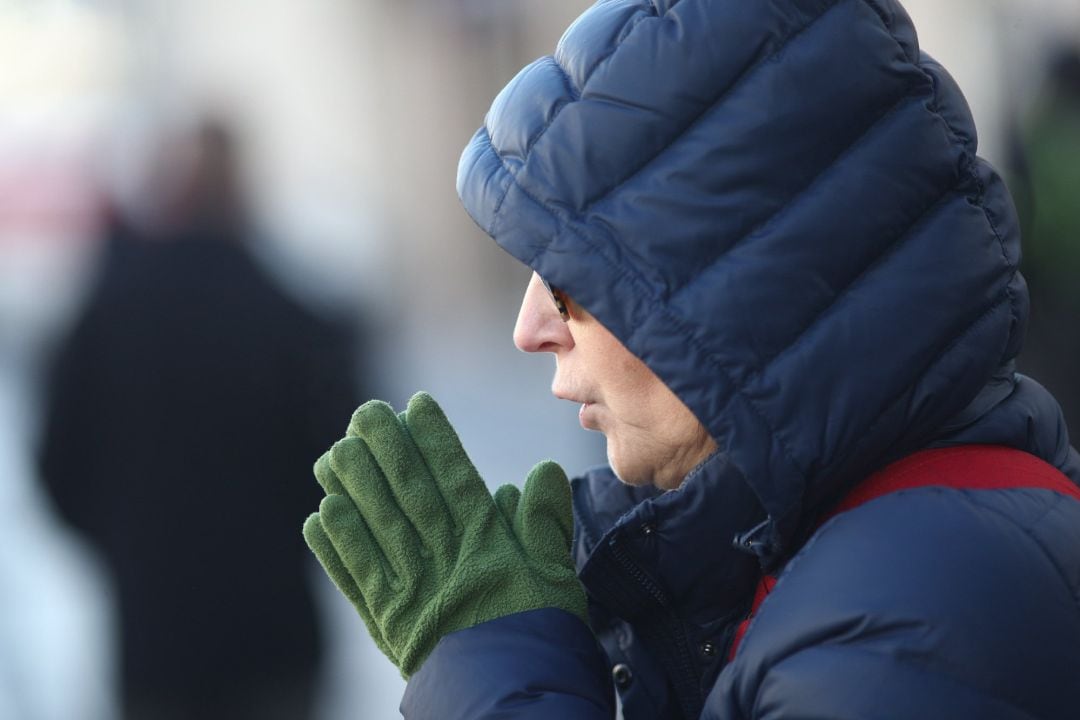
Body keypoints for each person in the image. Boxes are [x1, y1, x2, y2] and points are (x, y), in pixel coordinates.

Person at [303, 0, 1080, 717]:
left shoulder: (903, 619)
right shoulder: (865, 569)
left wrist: (496, 669)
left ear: (736, 291)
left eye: (572, 277)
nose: (531, 326)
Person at [40, 121, 361, 720]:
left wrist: (127, 547)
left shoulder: (103, 320)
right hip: (274, 634)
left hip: (153, 638)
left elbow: (57, 469)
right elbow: (346, 466)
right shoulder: (294, 317)